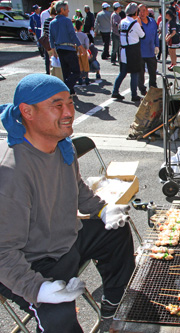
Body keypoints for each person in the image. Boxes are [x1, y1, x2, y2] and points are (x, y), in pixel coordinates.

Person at [0, 73, 135, 331]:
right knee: (60, 318)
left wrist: (103, 209)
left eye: (70, 102)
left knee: (115, 231)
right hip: (27, 262)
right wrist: (37, 289)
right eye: (57, 105)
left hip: (65, 242)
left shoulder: (62, 145)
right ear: (27, 112)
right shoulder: (11, 172)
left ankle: (114, 302)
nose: (68, 112)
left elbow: (77, 188)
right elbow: (3, 253)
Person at [49, 1, 86, 96]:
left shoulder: (52, 23)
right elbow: (73, 35)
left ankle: (71, 92)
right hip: (69, 48)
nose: (69, 10)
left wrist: (53, 50)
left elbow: (51, 37)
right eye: (67, 8)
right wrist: (80, 46)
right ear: (62, 10)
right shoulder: (67, 21)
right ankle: (64, 88)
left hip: (59, 49)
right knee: (76, 72)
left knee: (66, 72)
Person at [112, 2, 144, 102]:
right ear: (135, 12)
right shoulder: (135, 23)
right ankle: (134, 95)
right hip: (133, 50)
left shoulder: (122, 22)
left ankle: (115, 91)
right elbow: (142, 35)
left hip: (123, 50)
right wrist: (140, 24)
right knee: (134, 73)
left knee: (122, 72)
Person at [137, 4, 159, 94]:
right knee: (140, 74)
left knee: (153, 72)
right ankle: (142, 89)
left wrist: (157, 45)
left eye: (143, 10)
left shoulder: (152, 21)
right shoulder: (136, 23)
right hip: (140, 52)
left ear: (147, 11)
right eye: (140, 11)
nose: (141, 13)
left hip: (151, 51)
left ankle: (153, 88)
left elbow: (156, 35)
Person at [42, 4, 57, 75]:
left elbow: (45, 31)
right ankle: (54, 72)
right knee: (55, 58)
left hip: (47, 42)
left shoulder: (46, 20)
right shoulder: (55, 21)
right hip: (54, 42)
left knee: (47, 59)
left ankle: (48, 72)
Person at [74, 20, 90, 86]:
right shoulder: (84, 35)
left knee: (79, 64)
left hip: (76, 49)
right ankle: (86, 79)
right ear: (81, 26)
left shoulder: (74, 34)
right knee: (85, 64)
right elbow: (87, 44)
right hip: (83, 49)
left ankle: (80, 79)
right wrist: (86, 49)